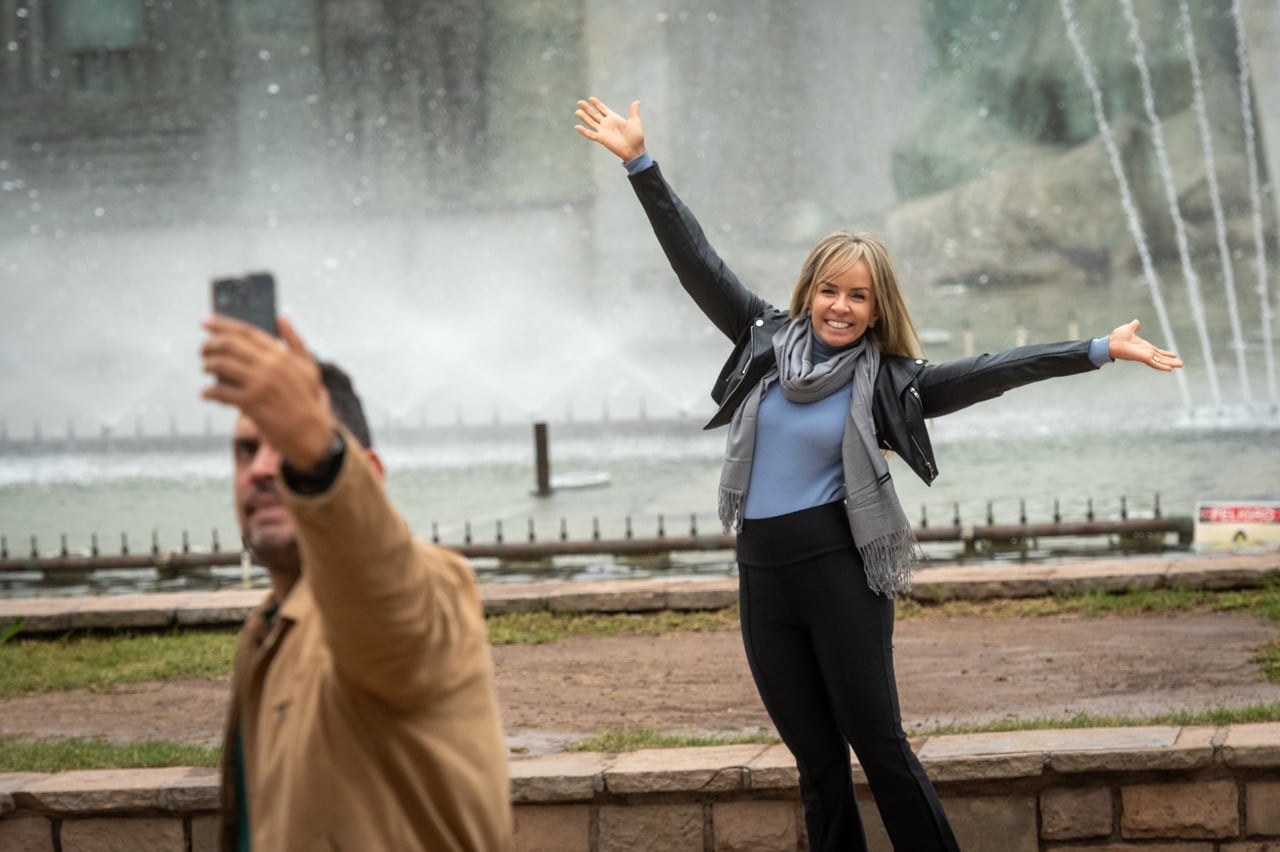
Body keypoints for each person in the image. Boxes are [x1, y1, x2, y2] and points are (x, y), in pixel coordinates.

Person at [573, 96, 1183, 852]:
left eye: (857, 296)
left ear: (875, 308)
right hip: (762, 576)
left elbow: (994, 370)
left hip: (839, 571)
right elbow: (695, 259)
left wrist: (1095, 348)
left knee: (881, 750)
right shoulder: (763, 339)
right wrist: (640, 164)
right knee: (816, 765)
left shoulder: (896, 382)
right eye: (830, 290)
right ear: (809, 292)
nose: (840, 305)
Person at [200, 314, 513, 852]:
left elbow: (383, 597)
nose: (260, 471)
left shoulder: (431, 590)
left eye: (284, 448)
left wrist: (320, 463)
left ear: (367, 470)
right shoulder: (267, 632)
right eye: (247, 451)